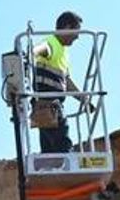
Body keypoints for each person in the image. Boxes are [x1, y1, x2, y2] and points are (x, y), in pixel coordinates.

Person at [30, 10, 91, 153]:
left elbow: (66, 81)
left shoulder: (63, 52)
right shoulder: (51, 43)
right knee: (63, 143)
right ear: (68, 27)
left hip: (49, 106)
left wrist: (82, 98)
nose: (77, 37)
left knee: (49, 147)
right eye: (76, 31)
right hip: (49, 105)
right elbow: (39, 50)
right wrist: (31, 52)